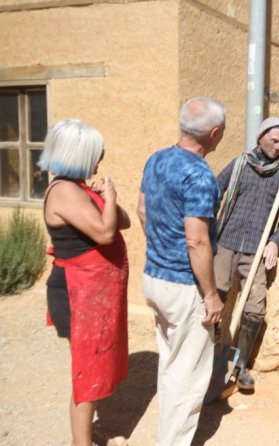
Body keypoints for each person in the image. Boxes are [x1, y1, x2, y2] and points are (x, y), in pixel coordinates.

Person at [136, 97, 225, 446]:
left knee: (172, 362)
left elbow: (142, 210)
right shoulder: (199, 174)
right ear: (214, 134)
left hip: (154, 278)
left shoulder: (156, 159)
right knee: (188, 375)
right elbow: (196, 241)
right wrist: (211, 295)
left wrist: (161, 248)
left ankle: (167, 434)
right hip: (184, 287)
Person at [39, 119, 130, 446]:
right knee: (87, 374)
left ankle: (86, 435)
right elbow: (106, 232)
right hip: (77, 294)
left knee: (92, 369)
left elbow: (123, 221)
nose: (99, 160)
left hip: (91, 294)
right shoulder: (64, 191)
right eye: (96, 154)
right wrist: (110, 198)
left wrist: (108, 200)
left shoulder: (80, 188)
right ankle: (81, 443)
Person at [213, 117, 279, 391]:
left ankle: (240, 364)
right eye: (274, 140)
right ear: (261, 137)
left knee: (255, 310)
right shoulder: (239, 165)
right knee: (214, 298)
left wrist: (275, 243)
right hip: (226, 242)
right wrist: (208, 231)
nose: (278, 146)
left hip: (256, 250)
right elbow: (213, 192)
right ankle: (208, 356)